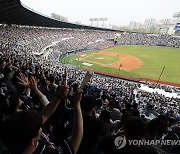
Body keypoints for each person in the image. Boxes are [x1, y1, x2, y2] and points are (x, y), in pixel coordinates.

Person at [0, 76, 83, 154]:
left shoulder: (19, 134)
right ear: (32, 141)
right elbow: (77, 136)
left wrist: (59, 96)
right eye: (38, 126)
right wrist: (77, 104)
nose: (41, 124)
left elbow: (44, 114)